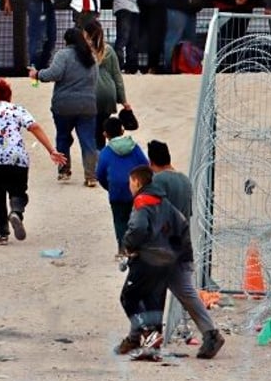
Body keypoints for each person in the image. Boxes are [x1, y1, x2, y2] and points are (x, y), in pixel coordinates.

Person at [147, 140, 226, 359]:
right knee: (187, 293)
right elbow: (187, 215)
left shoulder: (157, 181)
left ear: (151, 161)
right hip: (181, 244)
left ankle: (152, 342)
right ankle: (211, 333)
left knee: (153, 293)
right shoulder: (184, 180)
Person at [0, 78, 66, 245]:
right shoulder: (17, 109)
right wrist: (51, 150)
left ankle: (2, 234)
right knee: (19, 191)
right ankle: (16, 211)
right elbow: (34, 127)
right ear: (10, 96)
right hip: (17, 157)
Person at [115, 164, 190, 356]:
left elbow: (138, 228)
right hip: (167, 258)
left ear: (138, 182)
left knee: (128, 297)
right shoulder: (163, 201)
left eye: (130, 183)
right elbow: (181, 222)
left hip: (147, 257)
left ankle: (147, 332)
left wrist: (128, 245)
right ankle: (151, 342)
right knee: (151, 299)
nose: (129, 186)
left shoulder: (142, 201)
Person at [28, 27, 98, 186]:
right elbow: (95, 79)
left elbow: (54, 73)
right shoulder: (90, 57)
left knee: (63, 137)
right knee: (88, 140)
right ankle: (91, 175)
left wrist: (37, 74)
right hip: (87, 104)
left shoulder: (63, 55)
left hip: (64, 105)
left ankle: (64, 170)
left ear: (66, 41)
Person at [95, 117, 148, 254]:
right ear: (123, 130)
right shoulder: (135, 148)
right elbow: (145, 165)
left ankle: (123, 248)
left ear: (105, 134)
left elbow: (100, 175)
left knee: (119, 220)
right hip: (136, 189)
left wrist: (110, 187)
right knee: (136, 218)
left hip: (116, 191)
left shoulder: (105, 153)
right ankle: (137, 246)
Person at [83, 19, 131, 152]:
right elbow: (117, 76)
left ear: (86, 35)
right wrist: (124, 100)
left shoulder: (82, 52)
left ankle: (92, 158)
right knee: (102, 130)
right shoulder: (108, 50)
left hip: (90, 95)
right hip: (108, 95)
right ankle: (102, 155)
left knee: (90, 129)